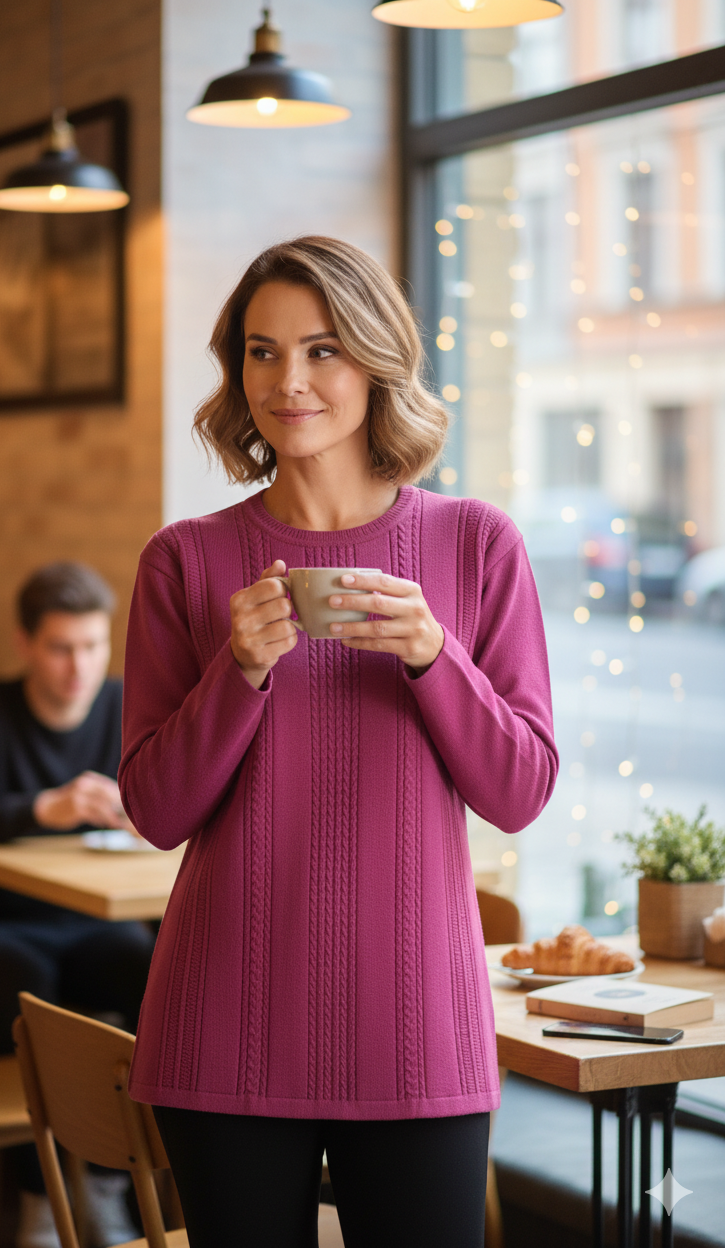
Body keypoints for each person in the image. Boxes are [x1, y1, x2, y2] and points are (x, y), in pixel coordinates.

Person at [119, 237, 559, 1247]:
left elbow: (521, 791)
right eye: (262, 352)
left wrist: (434, 656)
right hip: (223, 1026)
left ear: (375, 360)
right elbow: (155, 811)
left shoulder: (476, 544)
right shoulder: (183, 561)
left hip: (419, 1029)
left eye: (322, 350)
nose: (290, 381)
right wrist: (237, 672)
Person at [0, 561, 155, 1248]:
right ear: (24, 643)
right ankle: (41, 1201)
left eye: (92, 646)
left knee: (156, 975)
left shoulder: (127, 704)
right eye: (59, 648)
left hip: (96, 922)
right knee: (27, 991)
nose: (78, 668)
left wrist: (148, 812)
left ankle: (114, 1185)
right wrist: (42, 809)